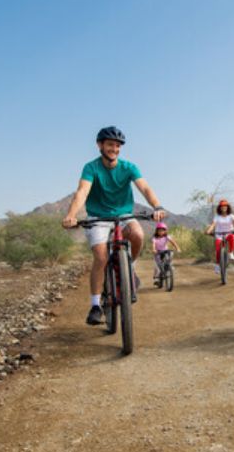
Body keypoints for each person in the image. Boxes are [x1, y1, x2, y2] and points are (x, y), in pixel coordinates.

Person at [61, 126, 166, 325]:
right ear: (100, 145)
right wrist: (71, 215)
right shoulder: (91, 168)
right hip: (98, 216)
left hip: (124, 214)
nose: (114, 149)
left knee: (137, 234)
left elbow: (144, 187)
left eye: (118, 146)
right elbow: (82, 191)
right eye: (110, 145)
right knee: (100, 257)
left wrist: (157, 206)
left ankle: (130, 269)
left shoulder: (129, 167)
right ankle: (95, 305)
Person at [203, 198, 234, 273]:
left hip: (228, 233)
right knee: (218, 248)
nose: (224, 207)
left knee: (231, 236)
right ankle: (217, 265)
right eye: (222, 206)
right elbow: (213, 225)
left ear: (227, 207)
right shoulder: (217, 217)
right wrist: (208, 231)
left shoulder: (231, 216)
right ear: (220, 208)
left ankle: (231, 253)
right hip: (219, 234)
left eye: (225, 206)